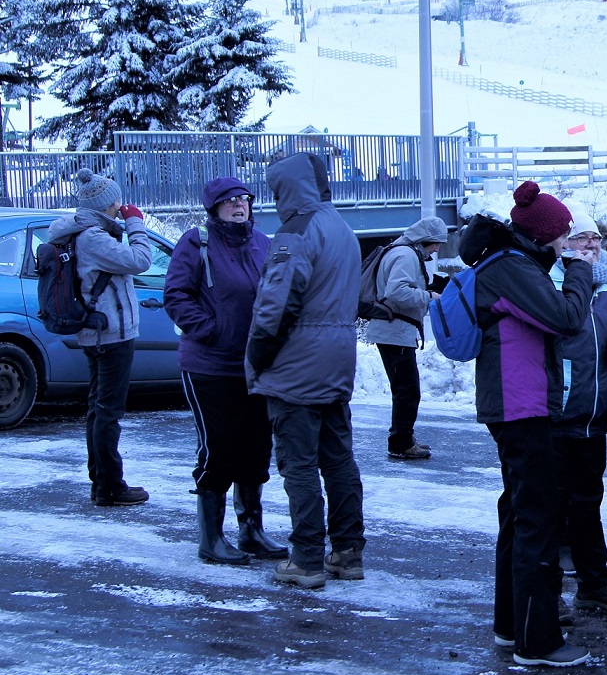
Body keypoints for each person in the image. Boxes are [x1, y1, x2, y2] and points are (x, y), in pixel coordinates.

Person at [474, 181, 594, 668]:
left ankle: (512, 627)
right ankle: (537, 640)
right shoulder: (512, 268)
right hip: (518, 407)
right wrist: (581, 274)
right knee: (537, 520)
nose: (569, 245)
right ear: (544, 235)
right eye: (565, 236)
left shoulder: (515, 264)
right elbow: (566, 318)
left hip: (518, 403)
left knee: (520, 514)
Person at [246, 153, 364, 591]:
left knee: (298, 464)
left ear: (288, 189)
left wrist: (258, 355)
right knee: (338, 459)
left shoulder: (294, 232)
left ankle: (307, 559)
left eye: (277, 191)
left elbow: (277, 304)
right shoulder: (343, 229)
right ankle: (349, 551)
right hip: (336, 359)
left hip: (296, 364)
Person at [163, 177, 286, 565]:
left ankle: (251, 530)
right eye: (229, 200)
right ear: (214, 207)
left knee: (255, 448)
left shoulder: (263, 244)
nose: (238, 205)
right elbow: (176, 295)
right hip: (209, 365)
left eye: (243, 199)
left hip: (254, 366)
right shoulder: (196, 243)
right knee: (219, 448)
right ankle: (211, 538)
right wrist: (210, 330)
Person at [551, 203, 607, 615]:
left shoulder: (606, 293)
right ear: (562, 243)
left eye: (596, 239)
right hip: (555, 415)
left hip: (593, 416)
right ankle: (547, 592)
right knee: (549, 509)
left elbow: (603, 349)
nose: (591, 245)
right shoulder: (550, 284)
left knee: (588, 505)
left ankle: (594, 586)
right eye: (582, 238)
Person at [49, 169, 153, 507]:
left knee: (99, 408)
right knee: (108, 411)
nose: (122, 206)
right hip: (111, 333)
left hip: (97, 331)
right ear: (109, 204)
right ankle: (109, 486)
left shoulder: (82, 231)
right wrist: (135, 223)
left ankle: (101, 482)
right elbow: (141, 260)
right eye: (118, 201)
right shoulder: (93, 237)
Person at [365, 216, 447, 461]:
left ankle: (402, 438)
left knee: (405, 389)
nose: (437, 249)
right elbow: (396, 291)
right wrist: (430, 296)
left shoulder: (401, 251)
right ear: (425, 240)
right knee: (407, 391)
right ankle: (400, 443)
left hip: (394, 330)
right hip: (395, 332)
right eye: (436, 244)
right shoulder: (406, 255)